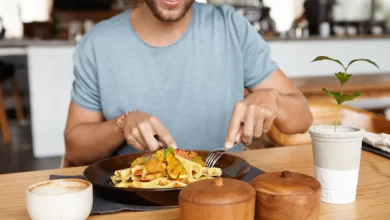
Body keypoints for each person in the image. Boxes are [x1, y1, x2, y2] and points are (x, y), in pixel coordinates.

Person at [64, 0, 313, 166]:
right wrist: (121, 125)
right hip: (136, 197)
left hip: (225, 195)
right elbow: (75, 149)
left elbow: (302, 119)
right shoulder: (99, 42)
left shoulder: (230, 27)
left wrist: (273, 98)